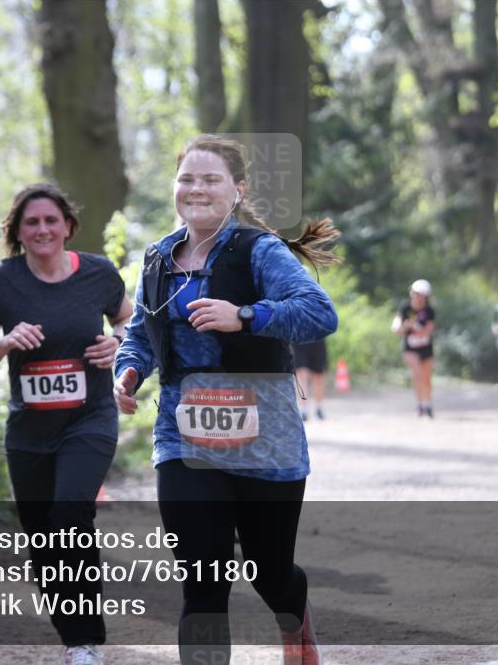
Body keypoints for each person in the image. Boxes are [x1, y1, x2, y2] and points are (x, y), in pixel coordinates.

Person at [113, 134, 338, 665]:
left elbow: (319, 313)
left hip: (266, 441)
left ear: (237, 190)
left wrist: (247, 315)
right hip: (185, 440)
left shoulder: (259, 250)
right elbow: (142, 334)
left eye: (210, 179)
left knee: (270, 571)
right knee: (203, 581)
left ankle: (294, 621)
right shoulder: (158, 257)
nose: (197, 189)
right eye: (187, 178)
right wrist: (128, 372)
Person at [0, 183, 132, 665]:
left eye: (51, 220)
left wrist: (117, 341)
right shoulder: (1, 281)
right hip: (29, 431)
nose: (42, 229)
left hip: (89, 418)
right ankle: (71, 633)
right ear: (17, 232)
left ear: (68, 226)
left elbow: (129, 320)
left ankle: (85, 643)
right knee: (42, 535)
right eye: (31, 222)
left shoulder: (98, 272)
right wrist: (5, 343)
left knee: (70, 513)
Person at [392, 279, 435, 417]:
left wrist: (416, 327)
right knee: (417, 373)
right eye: (414, 293)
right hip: (410, 347)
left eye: (419, 294)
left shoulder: (429, 311)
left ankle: (427, 403)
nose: (416, 297)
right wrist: (405, 326)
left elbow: (429, 330)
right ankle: (419, 404)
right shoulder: (405, 309)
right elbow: (397, 329)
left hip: (426, 347)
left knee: (426, 377)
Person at [292, 339, 328, 421]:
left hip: (317, 337)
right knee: (301, 374)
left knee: (319, 375)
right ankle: (304, 409)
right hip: (300, 338)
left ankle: (319, 407)